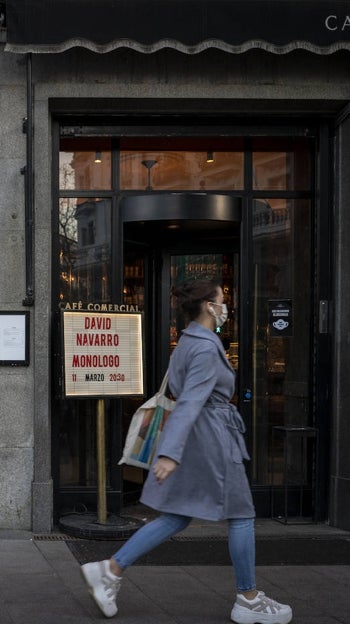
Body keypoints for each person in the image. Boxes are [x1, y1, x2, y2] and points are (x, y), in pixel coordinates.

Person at [81, 279, 293, 624]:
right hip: (214, 442)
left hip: (198, 441)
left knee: (176, 515)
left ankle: (110, 569)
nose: (227, 306)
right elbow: (192, 401)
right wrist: (169, 454)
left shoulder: (187, 342)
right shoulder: (207, 348)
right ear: (210, 306)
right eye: (223, 300)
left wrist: (174, 451)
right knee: (241, 515)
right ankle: (249, 598)